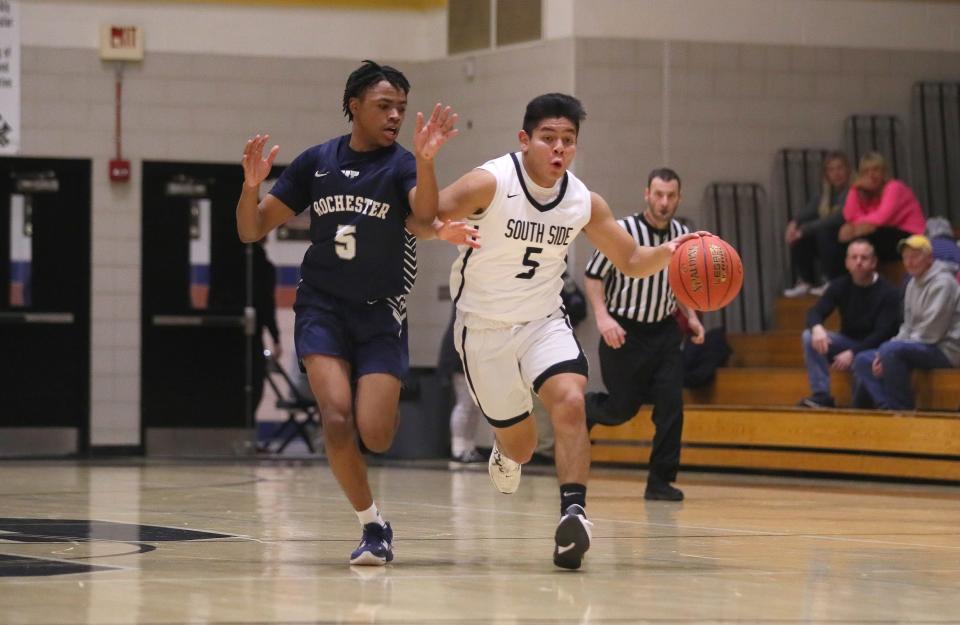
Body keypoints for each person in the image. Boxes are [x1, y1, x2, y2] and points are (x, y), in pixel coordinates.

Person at [431, 93, 700, 569]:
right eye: (548, 138)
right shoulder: (491, 181)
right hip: (484, 327)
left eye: (568, 140)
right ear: (525, 139)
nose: (559, 148)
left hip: (542, 321)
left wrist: (673, 251)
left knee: (572, 401)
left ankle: (573, 515)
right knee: (523, 444)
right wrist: (439, 227)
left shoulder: (581, 200)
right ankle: (505, 449)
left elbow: (632, 259)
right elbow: (420, 215)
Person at [236, 60, 473, 566]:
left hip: (380, 313)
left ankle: (376, 520)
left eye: (401, 109)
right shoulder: (315, 162)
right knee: (337, 418)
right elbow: (251, 230)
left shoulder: (403, 164)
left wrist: (428, 161)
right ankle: (372, 525)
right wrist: (252, 185)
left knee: (377, 433)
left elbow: (427, 216)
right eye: (384, 106)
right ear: (354, 106)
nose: (393, 116)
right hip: (322, 305)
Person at [581, 167, 705, 503]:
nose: (664, 202)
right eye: (658, 194)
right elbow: (593, 276)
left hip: (665, 333)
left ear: (679, 197)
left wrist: (691, 316)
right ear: (646, 194)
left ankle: (660, 482)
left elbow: (680, 282)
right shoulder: (623, 231)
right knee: (622, 409)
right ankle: (588, 409)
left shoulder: (682, 233)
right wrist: (603, 317)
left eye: (671, 196)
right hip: (625, 332)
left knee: (671, 406)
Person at [852, 235, 960, 410]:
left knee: (891, 352)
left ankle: (902, 411)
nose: (909, 262)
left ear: (929, 258)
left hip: (946, 350)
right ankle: (886, 407)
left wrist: (890, 349)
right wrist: (884, 352)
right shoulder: (912, 284)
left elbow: (931, 333)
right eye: (905, 257)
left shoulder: (944, 283)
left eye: (915, 256)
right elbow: (907, 326)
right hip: (920, 346)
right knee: (863, 359)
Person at [797, 239, 901, 408]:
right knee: (809, 336)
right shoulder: (840, 285)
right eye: (854, 257)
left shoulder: (888, 292)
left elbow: (884, 332)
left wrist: (853, 353)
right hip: (847, 342)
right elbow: (815, 312)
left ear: (874, 262)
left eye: (864, 258)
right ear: (847, 262)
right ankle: (822, 395)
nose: (858, 262)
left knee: (862, 371)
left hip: (876, 348)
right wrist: (817, 328)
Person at [783, 151, 851, 297]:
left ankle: (831, 280)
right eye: (831, 170)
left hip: (850, 240)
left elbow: (838, 218)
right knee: (800, 236)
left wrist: (805, 229)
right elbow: (807, 212)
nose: (836, 173)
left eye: (840, 168)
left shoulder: (854, 191)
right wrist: (794, 224)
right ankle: (805, 281)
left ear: (847, 170)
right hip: (832, 241)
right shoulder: (825, 194)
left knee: (823, 230)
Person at [839, 152, 925, 262]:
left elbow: (882, 218)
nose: (871, 174)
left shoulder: (894, 187)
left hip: (911, 238)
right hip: (886, 234)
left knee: (862, 240)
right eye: (866, 171)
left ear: (884, 172)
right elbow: (850, 216)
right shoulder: (865, 193)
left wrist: (856, 228)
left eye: (875, 169)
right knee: (833, 235)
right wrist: (854, 188)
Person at [437, 308, 486, 464]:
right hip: (459, 358)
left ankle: (469, 447)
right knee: (464, 404)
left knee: (474, 406)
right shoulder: (464, 310)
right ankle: (458, 448)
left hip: (474, 357)